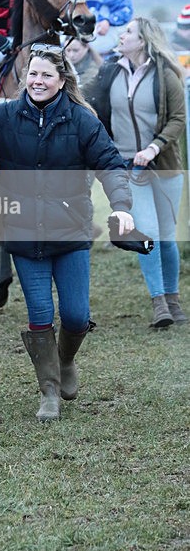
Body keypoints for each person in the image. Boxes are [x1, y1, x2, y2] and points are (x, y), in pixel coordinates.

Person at [0, 43, 134, 422]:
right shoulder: (5, 115)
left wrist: (122, 206)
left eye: (46, 75)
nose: (38, 81)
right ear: (24, 78)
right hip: (24, 236)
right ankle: (49, 392)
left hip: (71, 231)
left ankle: (65, 359)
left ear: (61, 81)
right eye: (33, 74)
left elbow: (110, 163)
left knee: (76, 316)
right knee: (40, 313)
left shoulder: (82, 120)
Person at [84, 17, 187, 329]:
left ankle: (174, 299)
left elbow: (178, 119)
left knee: (167, 238)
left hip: (165, 165)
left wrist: (154, 148)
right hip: (128, 166)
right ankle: (159, 304)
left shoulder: (166, 73)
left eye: (128, 31)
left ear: (143, 40)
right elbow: (86, 99)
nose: (122, 35)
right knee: (148, 234)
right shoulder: (110, 70)